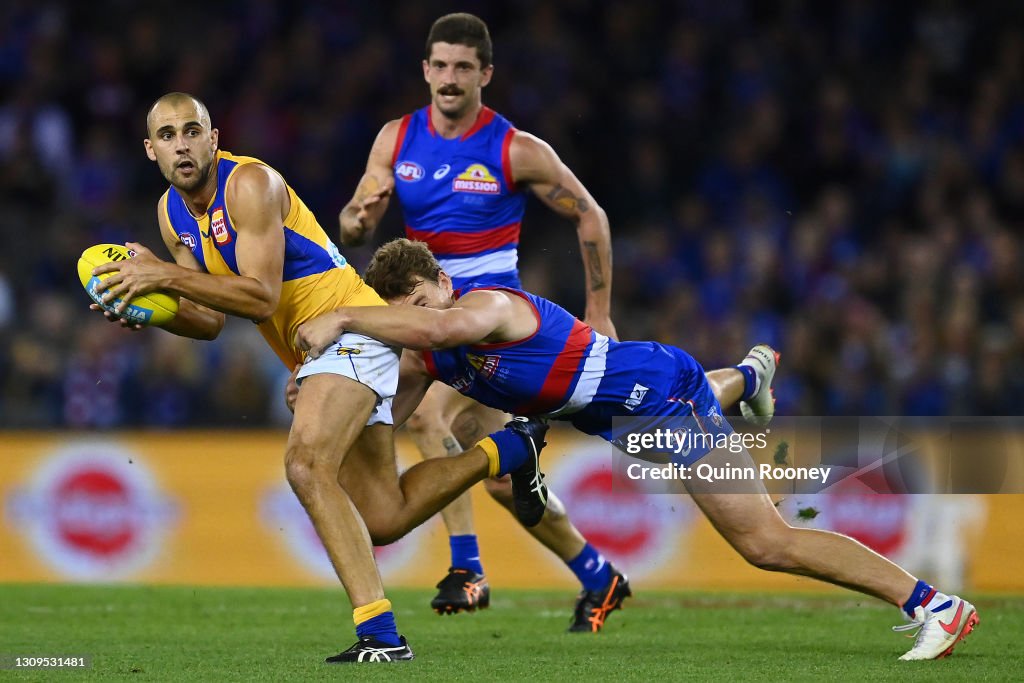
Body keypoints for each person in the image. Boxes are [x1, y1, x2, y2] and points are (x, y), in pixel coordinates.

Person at [294, 238, 979, 662]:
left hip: (658, 393)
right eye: (407, 313)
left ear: (439, 281)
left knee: (766, 540)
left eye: (419, 302)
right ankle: (750, 374)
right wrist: (322, 404)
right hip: (615, 411)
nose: (421, 321)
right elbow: (381, 416)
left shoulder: (484, 307)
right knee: (718, 431)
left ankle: (932, 604)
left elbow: (445, 328)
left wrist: (349, 314)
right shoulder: (431, 350)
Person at [88, 93, 551, 664]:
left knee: (306, 464)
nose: (180, 144)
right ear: (150, 149)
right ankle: (511, 449)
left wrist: (157, 273)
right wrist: (149, 307)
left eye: (191, 131)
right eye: (166, 135)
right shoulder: (171, 212)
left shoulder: (249, 185)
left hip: (350, 328)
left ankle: (380, 634)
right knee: (384, 516)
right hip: (319, 353)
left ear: (213, 138)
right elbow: (207, 320)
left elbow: (260, 297)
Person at [338, 11, 627, 629]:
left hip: (495, 328)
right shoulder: (396, 138)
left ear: (485, 74)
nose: (449, 77)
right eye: (439, 65)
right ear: (425, 70)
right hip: (430, 316)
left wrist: (599, 312)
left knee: (428, 417)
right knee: (501, 479)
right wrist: (358, 220)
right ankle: (599, 575)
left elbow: (591, 216)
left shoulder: (514, 149)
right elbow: (355, 215)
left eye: (462, 67)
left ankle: (468, 568)